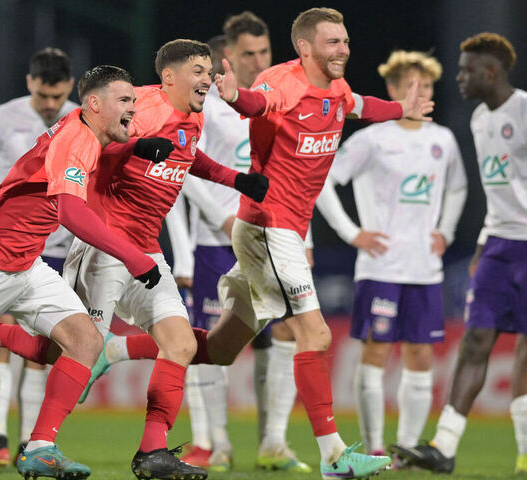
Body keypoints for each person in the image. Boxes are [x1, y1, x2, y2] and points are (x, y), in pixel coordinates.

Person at [88, 7, 435, 479]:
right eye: (333, 42)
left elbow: (360, 105)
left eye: (346, 41)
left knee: (223, 349)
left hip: (282, 230)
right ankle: (334, 457)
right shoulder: (284, 81)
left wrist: (401, 110)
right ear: (306, 47)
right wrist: (235, 97)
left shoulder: (335, 88)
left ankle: (115, 350)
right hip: (268, 227)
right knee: (314, 334)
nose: (344, 50)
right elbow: (256, 103)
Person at [0, 64, 172, 480]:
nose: (133, 107)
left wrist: (134, 147)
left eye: (133, 99)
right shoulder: (76, 138)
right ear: (95, 104)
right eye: (125, 100)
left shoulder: (84, 131)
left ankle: (40, 447)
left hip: (26, 263)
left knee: (85, 341)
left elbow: (84, 165)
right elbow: (71, 211)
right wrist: (133, 256)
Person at [62, 38, 269, 480]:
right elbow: (89, 142)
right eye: (198, 70)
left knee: (182, 344)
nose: (207, 78)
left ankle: (152, 452)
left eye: (209, 69)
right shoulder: (143, 107)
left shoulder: (191, 119)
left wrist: (238, 180)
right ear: (169, 77)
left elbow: (190, 161)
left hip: (147, 251)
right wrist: (132, 148)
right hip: (106, 245)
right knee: (70, 350)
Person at [315, 50, 467, 463]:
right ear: (394, 90)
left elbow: (456, 188)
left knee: (420, 352)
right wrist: (351, 233)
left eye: (428, 86)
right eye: (411, 86)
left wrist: (447, 230)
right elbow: (324, 181)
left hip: (425, 269)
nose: (421, 93)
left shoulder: (443, 140)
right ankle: (377, 447)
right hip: (380, 265)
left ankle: (408, 450)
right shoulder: (372, 139)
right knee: (377, 351)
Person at [178, 12, 312, 473]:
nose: (258, 61)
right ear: (227, 56)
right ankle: (216, 444)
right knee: (216, 340)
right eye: (248, 53)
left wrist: (304, 232)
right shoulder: (207, 104)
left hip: (277, 235)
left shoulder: (285, 98)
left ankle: (273, 442)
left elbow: (299, 172)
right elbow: (184, 164)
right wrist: (219, 215)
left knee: (283, 335)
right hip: (218, 238)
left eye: (264, 52)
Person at [391, 32, 527, 475]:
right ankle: (444, 446)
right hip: (500, 246)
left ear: (491, 71)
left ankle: (524, 448)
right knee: (475, 341)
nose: (459, 77)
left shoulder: (523, 109)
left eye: (467, 70)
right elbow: (499, 191)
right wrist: (486, 241)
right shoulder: (479, 120)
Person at [0, 46, 77, 467]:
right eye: (43, 96)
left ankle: (27, 441)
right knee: (3, 336)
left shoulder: (81, 120)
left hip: (57, 250)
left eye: (57, 97)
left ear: (69, 86)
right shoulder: (1, 118)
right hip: (4, 246)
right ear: (30, 82)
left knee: (45, 348)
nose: (50, 105)